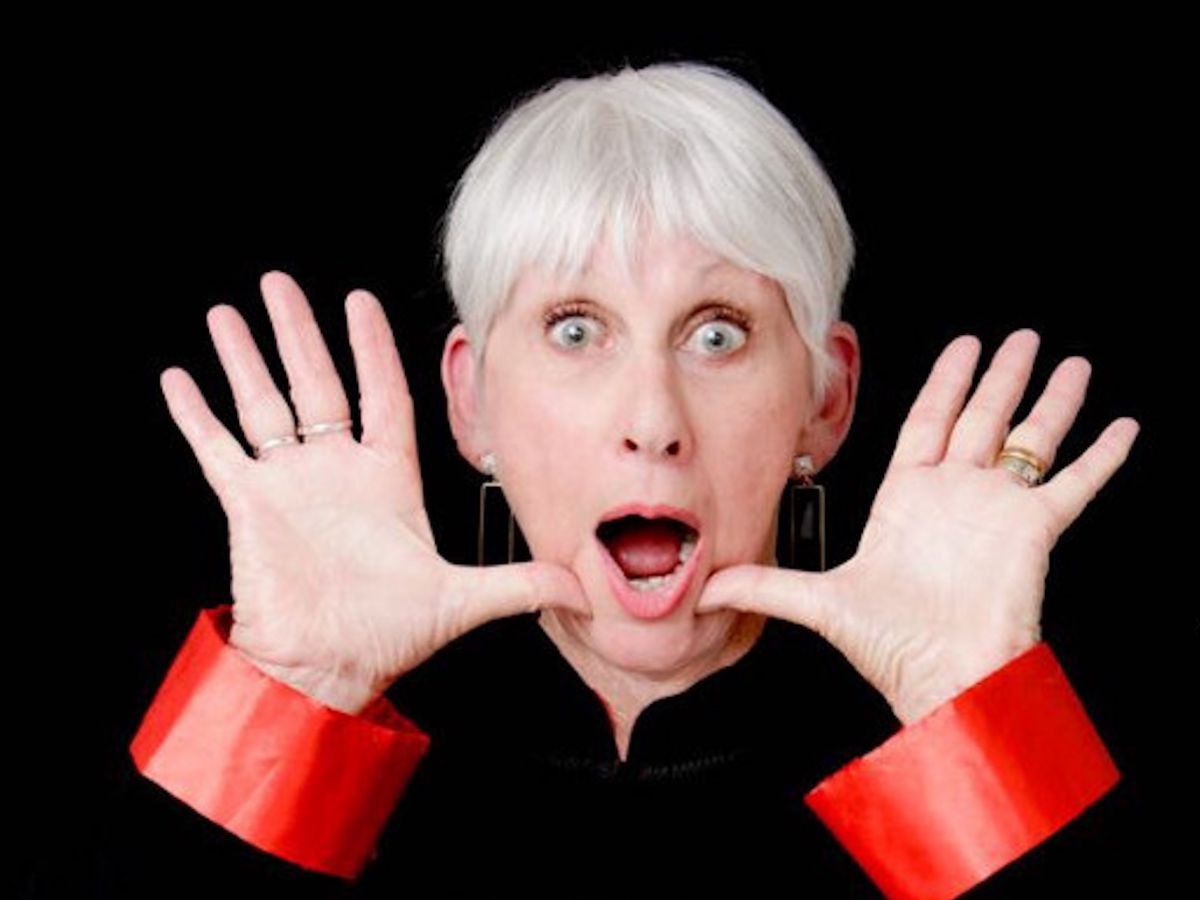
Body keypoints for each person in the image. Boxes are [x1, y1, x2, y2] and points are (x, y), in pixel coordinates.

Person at [35, 60, 1139, 898]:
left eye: (717, 333)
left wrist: (976, 716)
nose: (652, 422)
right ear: (473, 404)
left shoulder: (942, 716)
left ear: (825, 401)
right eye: (576, 329)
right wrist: (291, 694)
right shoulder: (356, 717)